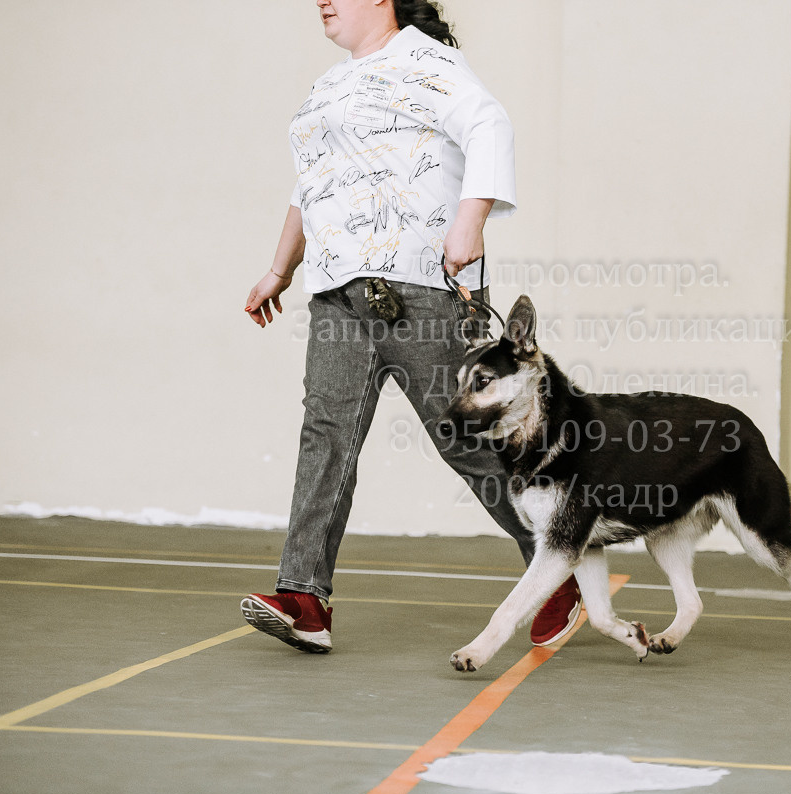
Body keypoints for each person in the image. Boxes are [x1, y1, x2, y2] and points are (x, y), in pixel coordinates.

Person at [239, 0, 580, 653]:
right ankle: (305, 597)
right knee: (326, 435)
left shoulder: (427, 60)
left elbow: (489, 125)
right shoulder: (328, 86)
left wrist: (470, 220)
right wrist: (279, 269)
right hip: (338, 290)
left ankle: (554, 565)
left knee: (464, 439)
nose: (323, 1)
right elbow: (309, 185)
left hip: (419, 286)